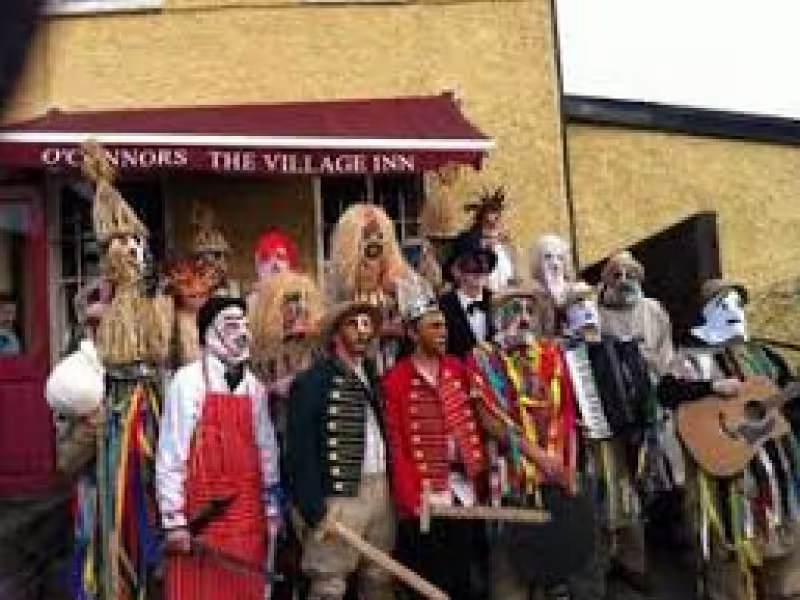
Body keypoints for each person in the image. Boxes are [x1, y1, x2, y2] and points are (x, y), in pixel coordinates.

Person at [664, 278, 800, 600]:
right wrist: (711, 387)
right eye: (723, 305)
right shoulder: (693, 359)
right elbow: (665, 392)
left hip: (776, 480)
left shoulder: (766, 356)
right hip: (727, 482)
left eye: (738, 305)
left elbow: (790, 402)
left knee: (785, 565)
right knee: (729, 571)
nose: (734, 311)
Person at [468, 280, 595, 600]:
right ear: (498, 317)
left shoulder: (553, 355)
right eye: (514, 310)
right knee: (509, 573)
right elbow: (490, 421)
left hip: (555, 479)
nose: (523, 318)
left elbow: (568, 414)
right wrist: (539, 458)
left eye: (529, 309)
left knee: (554, 569)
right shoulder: (482, 358)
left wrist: (567, 466)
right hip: (511, 481)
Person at [156, 295, 281, 600]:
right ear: (209, 332)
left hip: (249, 518)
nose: (241, 332)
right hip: (203, 516)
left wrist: (272, 506)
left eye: (244, 324)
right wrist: (174, 521)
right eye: (231, 324)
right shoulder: (186, 382)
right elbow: (171, 454)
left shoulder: (254, 386)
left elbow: (267, 450)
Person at [286, 300, 395, 600]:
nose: (363, 332)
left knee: (380, 578)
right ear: (335, 334)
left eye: (367, 325)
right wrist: (313, 509)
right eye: (353, 324)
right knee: (328, 583)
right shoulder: (312, 382)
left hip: (381, 489)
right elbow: (299, 451)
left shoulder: (373, 376)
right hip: (340, 495)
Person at [383, 286, 487, 599]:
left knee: (464, 577)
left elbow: (479, 425)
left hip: (464, 490)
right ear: (414, 333)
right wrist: (411, 500)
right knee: (431, 581)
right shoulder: (395, 380)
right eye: (435, 326)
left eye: (444, 325)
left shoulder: (458, 368)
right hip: (426, 495)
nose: (444, 332)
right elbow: (397, 447)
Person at [439, 228, 498, 358]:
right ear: (456, 270)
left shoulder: (497, 301)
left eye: (484, 264)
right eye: (472, 265)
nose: (480, 271)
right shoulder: (442, 308)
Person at [465, 187, 515, 292]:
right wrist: (487, 245)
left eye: (498, 216)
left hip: (506, 290)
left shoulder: (503, 239)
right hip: (483, 290)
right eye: (492, 212)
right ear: (482, 217)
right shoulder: (472, 239)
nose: (496, 219)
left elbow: (513, 265)